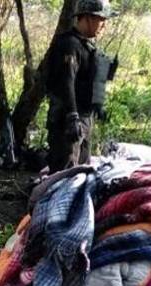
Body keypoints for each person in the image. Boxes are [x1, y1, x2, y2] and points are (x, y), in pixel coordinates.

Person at [42, 0, 114, 173]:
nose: (104, 25)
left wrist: (97, 106)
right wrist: (72, 116)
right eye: (101, 20)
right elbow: (66, 82)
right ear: (87, 18)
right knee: (65, 173)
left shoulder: (87, 46)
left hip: (84, 117)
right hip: (66, 120)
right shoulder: (68, 45)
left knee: (82, 171)